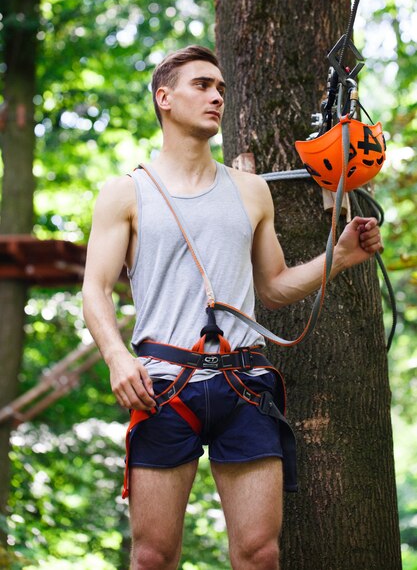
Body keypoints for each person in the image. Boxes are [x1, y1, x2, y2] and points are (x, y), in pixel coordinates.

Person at [82, 45, 382, 570]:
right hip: (162, 387)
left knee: (260, 554)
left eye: (221, 87)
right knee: (152, 556)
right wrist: (115, 356)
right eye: (202, 85)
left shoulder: (250, 192)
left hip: (245, 385)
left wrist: (341, 256)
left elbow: (275, 288)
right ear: (165, 98)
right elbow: (95, 290)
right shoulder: (125, 194)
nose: (217, 96)